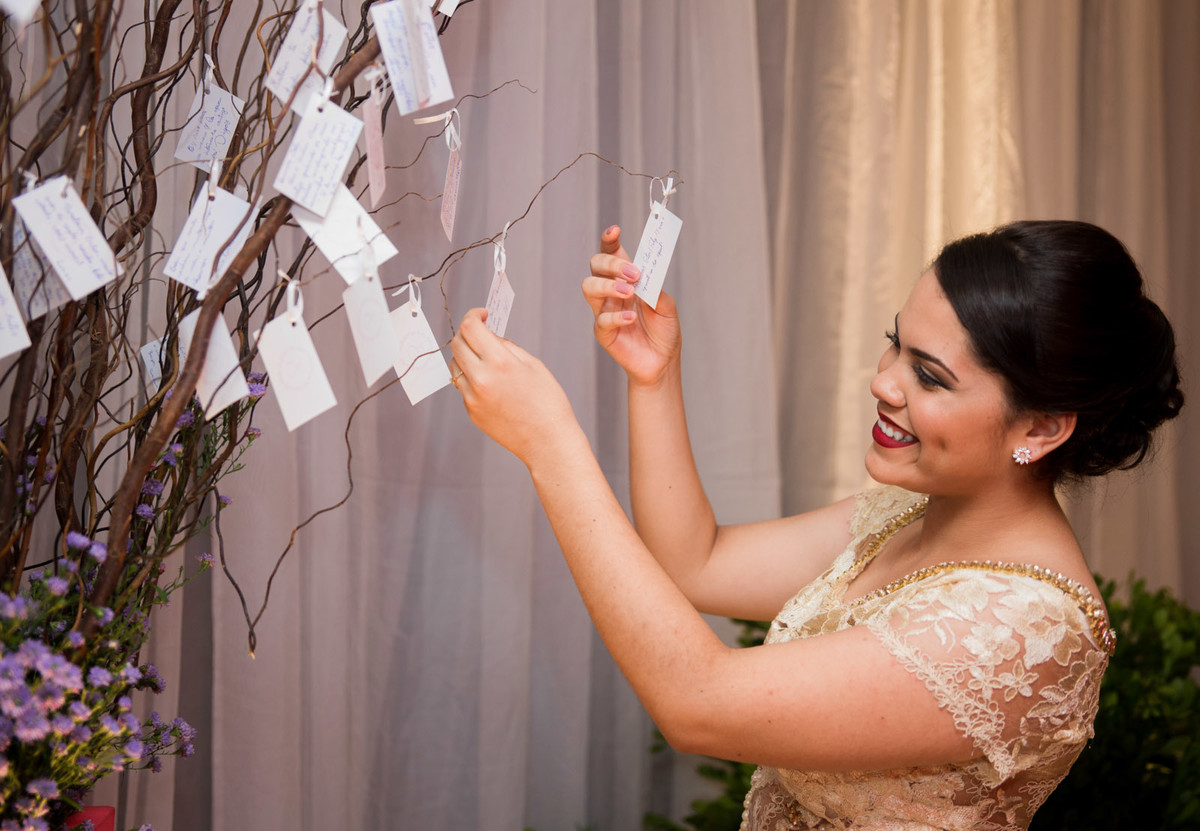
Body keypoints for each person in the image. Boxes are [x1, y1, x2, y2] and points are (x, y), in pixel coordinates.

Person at [447, 219, 1184, 830]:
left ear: (1042, 426)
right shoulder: (906, 514)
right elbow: (696, 563)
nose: (883, 381)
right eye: (895, 342)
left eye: (930, 376)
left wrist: (552, 447)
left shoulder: (1023, 628)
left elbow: (698, 705)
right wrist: (654, 376)